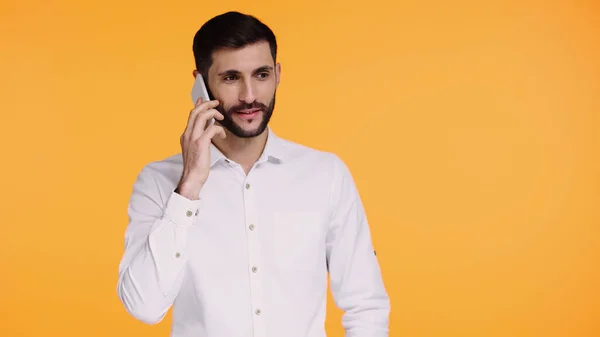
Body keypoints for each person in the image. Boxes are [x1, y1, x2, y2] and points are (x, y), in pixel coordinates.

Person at [116, 11, 390, 337]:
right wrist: (188, 188)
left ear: (277, 74)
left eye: (261, 75)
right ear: (200, 83)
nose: (249, 95)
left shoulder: (326, 175)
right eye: (231, 78)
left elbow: (366, 305)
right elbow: (143, 307)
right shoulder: (159, 182)